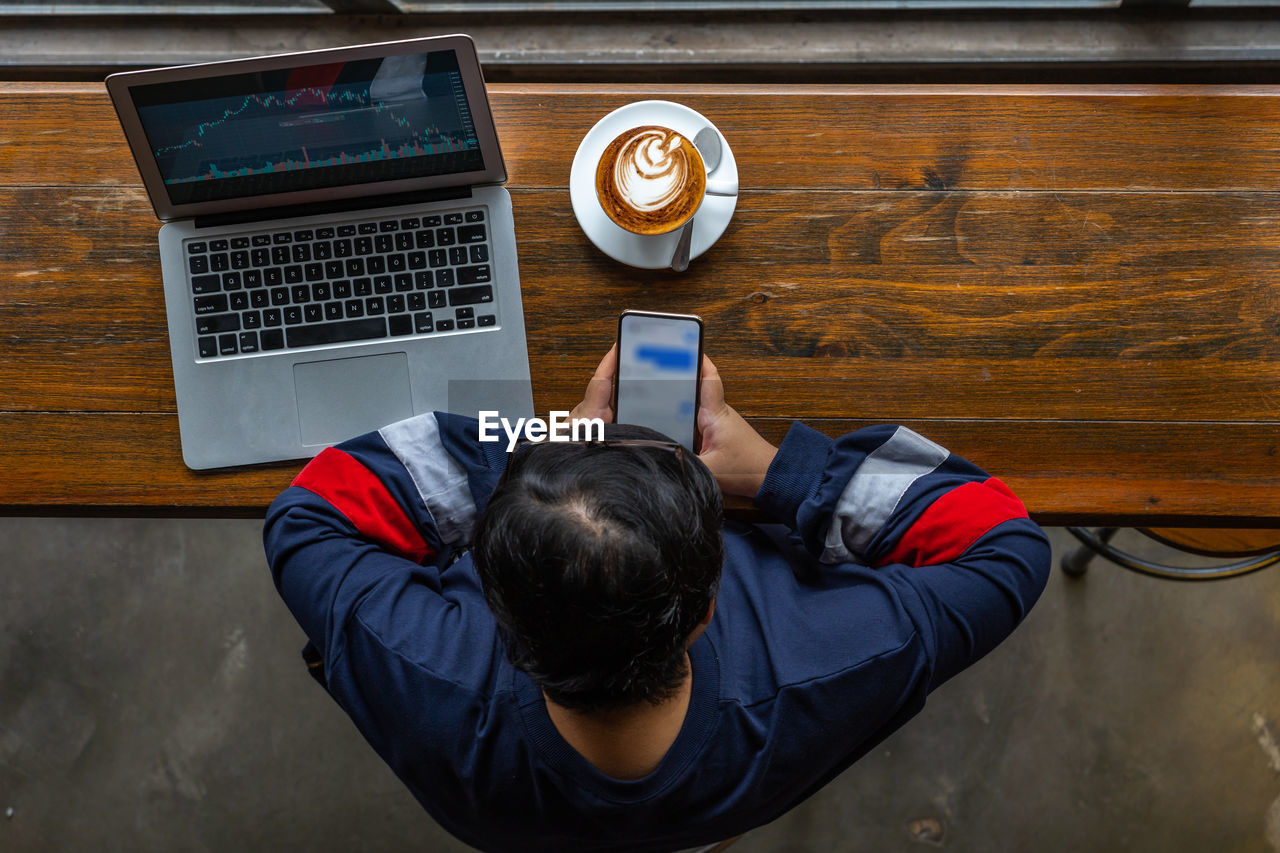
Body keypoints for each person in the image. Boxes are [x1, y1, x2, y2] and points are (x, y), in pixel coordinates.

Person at [264, 346, 1051, 853]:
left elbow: (309, 512)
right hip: (718, 808)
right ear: (705, 609)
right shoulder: (842, 660)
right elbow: (1005, 544)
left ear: (499, 611)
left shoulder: (416, 676)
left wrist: (541, 448)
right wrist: (774, 472)